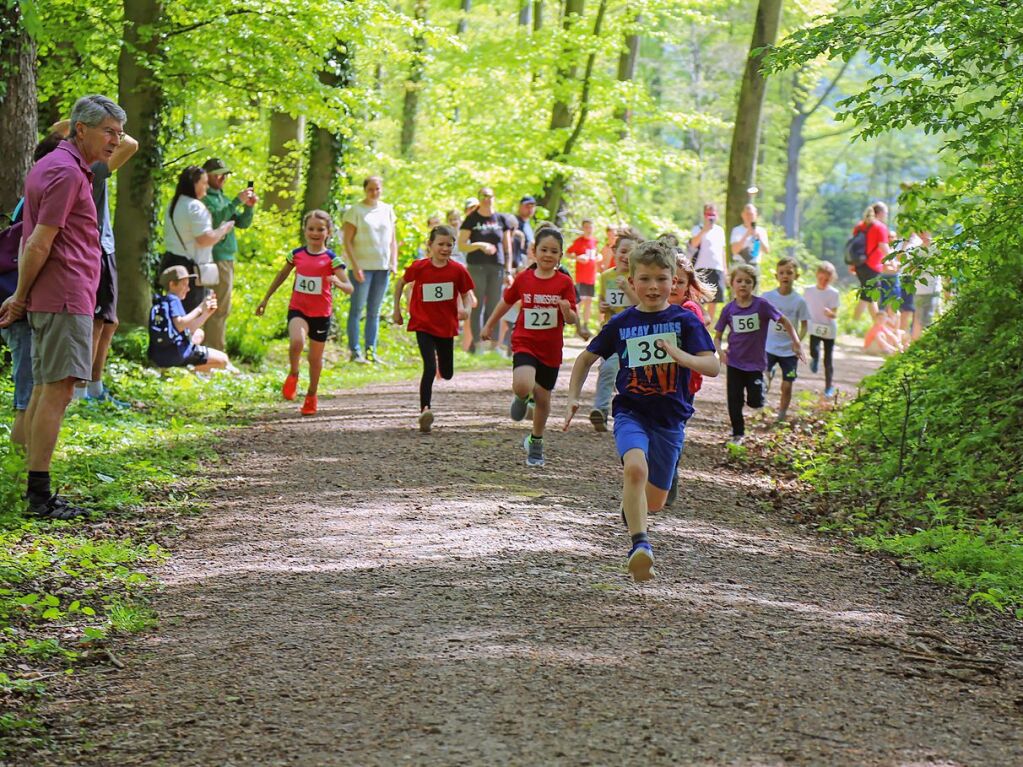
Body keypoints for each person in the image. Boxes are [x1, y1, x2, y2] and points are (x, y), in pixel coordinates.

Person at [0, 94, 127, 519]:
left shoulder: (53, 165)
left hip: (59, 295)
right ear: (80, 129)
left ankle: (23, 483)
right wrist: (19, 297)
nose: (115, 140)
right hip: (64, 296)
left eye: (119, 132)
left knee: (42, 388)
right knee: (58, 391)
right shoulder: (66, 173)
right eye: (109, 131)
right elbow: (38, 241)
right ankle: (38, 495)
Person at [564, 240, 719, 582]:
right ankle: (640, 546)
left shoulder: (684, 321)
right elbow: (586, 357)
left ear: (674, 281)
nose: (653, 286)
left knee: (657, 501)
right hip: (631, 411)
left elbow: (712, 365)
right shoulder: (623, 323)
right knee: (634, 469)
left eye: (662, 279)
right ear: (631, 281)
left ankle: (635, 510)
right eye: (645, 279)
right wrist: (574, 395)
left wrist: (682, 357)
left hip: (670, 419)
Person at [50, 118, 139, 406]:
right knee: (97, 321)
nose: (112, 139)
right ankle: (81, 389)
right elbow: (132, 145)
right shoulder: (90, 167)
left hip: (105, 247)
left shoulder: (94, 162)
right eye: (106, 132)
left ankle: (96, 386)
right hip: (94, 248)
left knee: (108, 320)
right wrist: (83, 119)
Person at [480, 226, 577, 467]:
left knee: (543, 399)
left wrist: (567, 311)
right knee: (522, 383)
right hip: (525, 340)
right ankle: (522, 397)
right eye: (543, 249)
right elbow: (506, 302)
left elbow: (573, 318)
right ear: (534, 251)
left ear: (560, 256)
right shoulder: (524, 278)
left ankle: (536, 440)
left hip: (551, 348)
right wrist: (489, 325)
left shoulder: (564, 282)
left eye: (554, 251)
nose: (548, 255)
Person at [256, 210, 352, 416]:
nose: (315, 233)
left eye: (320, 229)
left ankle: (311, 395)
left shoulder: (331, 259)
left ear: (328, 232)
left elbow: (349, 287)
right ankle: (293, 373)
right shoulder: (297, 254)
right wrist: (265, 298)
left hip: (321, 314)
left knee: (315, 359)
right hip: (298, 309)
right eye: (311, 229)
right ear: (305, 230)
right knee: (297, 342)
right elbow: (281, 275)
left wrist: (337, 282)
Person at [392, 224, 475, 433]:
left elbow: (467, 296)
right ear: (430, 245)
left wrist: (465, 310)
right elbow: (400, 284)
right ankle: (425, 411)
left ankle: (442, 367)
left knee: (447, 373)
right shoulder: (419, 267)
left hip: (446, 326)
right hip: (423, 324)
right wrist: (397, 311)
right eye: (441, 244)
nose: (445, 249)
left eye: (449, 245)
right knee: (429, 367)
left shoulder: (458, 270)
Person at [714, 264, 804, 445]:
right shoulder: (728, 309)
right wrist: (720, 352)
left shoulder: (761, 305)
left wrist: (796, 342)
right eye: (739, 281)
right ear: (732, 284)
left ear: (753, 285)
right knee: (734, 399)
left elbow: (784, 321)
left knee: (755, 402)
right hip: (734, 362)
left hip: (755, 364)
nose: (743, 285)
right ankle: (737, 433)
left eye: (748, 282)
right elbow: (717, 336)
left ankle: (761, 387)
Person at [200, 158, 257, 352]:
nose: (223, 178)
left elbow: (241, 223)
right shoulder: (205, 198)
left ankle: (210, 351)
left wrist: (248, 207)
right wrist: (236, 201)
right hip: (215, 257)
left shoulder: (222, 198)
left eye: (226, 174)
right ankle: (214, 351)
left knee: (219, 306)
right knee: (216, 306)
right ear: (206, 175)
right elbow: (216, 219)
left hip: (227, 258)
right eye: (219, 174)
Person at [161, 165, 235, 314]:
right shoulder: (195, 207)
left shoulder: (173, 204)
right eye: (204, 182)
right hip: (190, 270)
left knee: (175, 313)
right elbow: (204, 239)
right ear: (194, 183)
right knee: (191, 315)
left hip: (171, 264)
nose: (206, 187)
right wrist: (223, 229)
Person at [588, 230, 641, 431]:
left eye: (632, 253)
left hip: (635, 333)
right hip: (612, 332)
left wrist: (628, 289)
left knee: (631, 376)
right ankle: (600, 411)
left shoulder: (639, 277)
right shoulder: (605, 276)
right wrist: (602, 307)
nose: (626, 256)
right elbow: (605, 303)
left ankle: (632, 415)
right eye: (623, 251)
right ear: (615, 251)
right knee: (608, 369)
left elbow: (642, 304)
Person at [342, 176, 397, 364]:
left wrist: (393, 262)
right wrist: (355, 266)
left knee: (374, 311)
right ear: (365, 190)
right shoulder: (355, 211)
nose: (374, 193)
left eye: (377, 189)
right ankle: (355, 352)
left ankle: (371, 352)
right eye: (371, 189)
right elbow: (347, 241)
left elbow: (392, 240)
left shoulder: (388, 210)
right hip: (362, 268)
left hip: (382, 268)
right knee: (357, 309)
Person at [148, 266, 232, 373]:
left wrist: (206, 314)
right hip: (176, 354)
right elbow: (179, 324)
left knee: (199, 333)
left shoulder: (163, 301)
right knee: (223, 360)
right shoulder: (173, 299)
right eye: (184, 284)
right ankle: (183, 370)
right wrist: (200, 308)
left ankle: (176, 368)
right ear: (172, 284)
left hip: (162, 354)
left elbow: (187, 329)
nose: (188, 289)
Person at [459, 187, 512, 353]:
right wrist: (479, 245)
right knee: (477, 304)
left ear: (494, 197)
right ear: (478, 198)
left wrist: (508, 271)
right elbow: (461, 245)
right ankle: (479, 343)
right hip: (477, 266)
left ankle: (495, 343)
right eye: (483, 196)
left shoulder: (501, 219)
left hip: (497, 267)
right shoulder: (471, 219)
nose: (486, 199)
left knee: (495, 305)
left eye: (489, 196)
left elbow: (507, 247)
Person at [762, 257, 809, 423]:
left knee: (787, 385)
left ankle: (781, 414)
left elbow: (804, 325)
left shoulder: (799, 301)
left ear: (796, 276)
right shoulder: (767, 297)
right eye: (781, 273)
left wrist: (798, 343)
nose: (785, 276)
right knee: (764, 378)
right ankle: (767, 380)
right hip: (769, 347)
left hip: (789, 351)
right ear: (776, 276)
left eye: (789, 273)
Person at [804, 261, 840, 398]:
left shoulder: (834, 293)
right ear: (816, 276)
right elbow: (803, 306)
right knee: (814, 349)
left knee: (828, 360)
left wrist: (830, 313)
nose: (824, 282)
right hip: (815, 326)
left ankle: (828, 386)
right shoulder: (808, 290)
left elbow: (835, 314)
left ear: (831, 279)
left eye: (827, 280)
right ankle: (814, 359)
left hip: (829, 328)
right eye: (821, 279)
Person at [850, 201, 891, 321]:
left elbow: (853, 246)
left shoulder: (859, 226)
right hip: (872, 266)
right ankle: (854, 322)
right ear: (879, 213)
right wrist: (892, 260)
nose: (887, 215)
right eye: (886, 212)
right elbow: (883, 246)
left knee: (871, 296)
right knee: (867, 296)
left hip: (859, 264)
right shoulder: (880, 227)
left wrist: (852, 264)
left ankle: (877, 325)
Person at [689, 202, 727, 323]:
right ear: (704, 214)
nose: (711, 217)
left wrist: (726, 271)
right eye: (708, 214)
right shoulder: (697, 228)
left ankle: (709, 329)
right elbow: (693, 244)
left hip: (717, 268)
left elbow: (722, 251)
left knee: (714, 300)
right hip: (701, 268)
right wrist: (704, 230)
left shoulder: (720, 230)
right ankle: (699, 323)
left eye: (713, 214)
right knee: (700, 298)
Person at [567, 219, 599, 332]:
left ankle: (585, 325)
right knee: (579, 302)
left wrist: (599, 257)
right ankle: (578, 325)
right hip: (581, 277)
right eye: (586, 227)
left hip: (591, 277)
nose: (588, 230)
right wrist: (577, 258)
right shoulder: (578, 241)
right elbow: (567, 253)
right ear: (582, 228)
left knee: (588, 302)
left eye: (590, 227)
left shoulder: (595, 241)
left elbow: (597, 254)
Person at [909, 231, 941, 340]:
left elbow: (944, 268)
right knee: (918, 318)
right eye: (921, 232)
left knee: (929, 318)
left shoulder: (937, 248)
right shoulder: (916, 250)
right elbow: (911, 270)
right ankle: (916, 345)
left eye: (926, 231)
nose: (924, 235)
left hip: (933, 289)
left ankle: (923, 345)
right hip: (920, 289)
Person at [729, 203, 770, 272]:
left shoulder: (761, 231)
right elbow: (734, 250)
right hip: (739, 264)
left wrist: (758, 237)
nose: (749, 217)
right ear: (742, 215)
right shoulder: (737, 230)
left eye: (751, 214)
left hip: (754, 265)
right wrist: (746, 235)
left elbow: (766, 250)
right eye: (747, 214)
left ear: (756, 215)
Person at [512, 196, 536, 271]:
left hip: (525, 263)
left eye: (532, 206)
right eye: (527, 206)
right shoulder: (513, 221)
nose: (530, 209)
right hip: (515, 263)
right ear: (520, 207)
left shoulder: (528, 225)